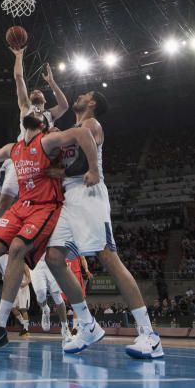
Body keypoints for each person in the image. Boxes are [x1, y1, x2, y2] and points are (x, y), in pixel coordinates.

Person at [0, 111, 99, 352]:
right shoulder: (15, 147)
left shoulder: (47, 140)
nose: (35, 111)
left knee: (17, 248)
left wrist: (93, 168)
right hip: (22, 206)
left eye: (40, 113)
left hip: (45, 206)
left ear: (44, 126)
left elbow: (82, 132)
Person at [44, 91, 164, 359]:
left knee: (109, 258)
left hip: (89, 194)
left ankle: (149, 335)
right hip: (68, 198)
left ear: (93, 103)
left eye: (86, 94)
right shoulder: (72, 129)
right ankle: (88, 325)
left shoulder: (92, 125)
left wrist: (57, 171)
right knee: (53, 257)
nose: (81, 95)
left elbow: (83, 165)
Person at [0, 53, 68, 273]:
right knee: (3, 204)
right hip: (21, 159)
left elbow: (65, 105)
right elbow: (19, 78)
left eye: (40, 91)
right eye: (34, 92)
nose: (35, 91)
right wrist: (19, 55)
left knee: (35, 206)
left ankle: (13, 253)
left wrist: (52, 82)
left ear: (45, 98)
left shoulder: (49, 115)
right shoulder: (25, 109)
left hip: (41, 164)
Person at [30, 256, 71, 342]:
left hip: (53, 261)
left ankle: (65, 328)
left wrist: (65, 260)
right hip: (35, 262)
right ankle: (45, 309)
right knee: (40, 294)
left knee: (57, 296)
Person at [0, 255, 31, 338]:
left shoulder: (23, 263)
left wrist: (25, 283)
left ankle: (26, 329)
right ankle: (23, 323)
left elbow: (29, 277)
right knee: (12, 308)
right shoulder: (8, 267)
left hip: (22, 288)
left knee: (23, 309)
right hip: (13, 289)